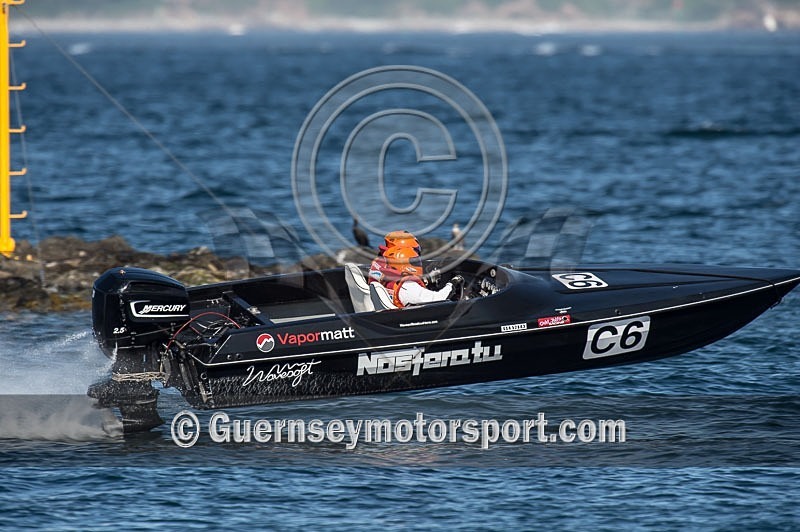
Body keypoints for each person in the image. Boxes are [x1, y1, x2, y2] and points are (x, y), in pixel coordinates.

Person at [369, 234, 462, 308]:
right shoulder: (408, 287)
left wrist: (425, 280)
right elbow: (439, 298)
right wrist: (452, 283)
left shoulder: (386, 276)